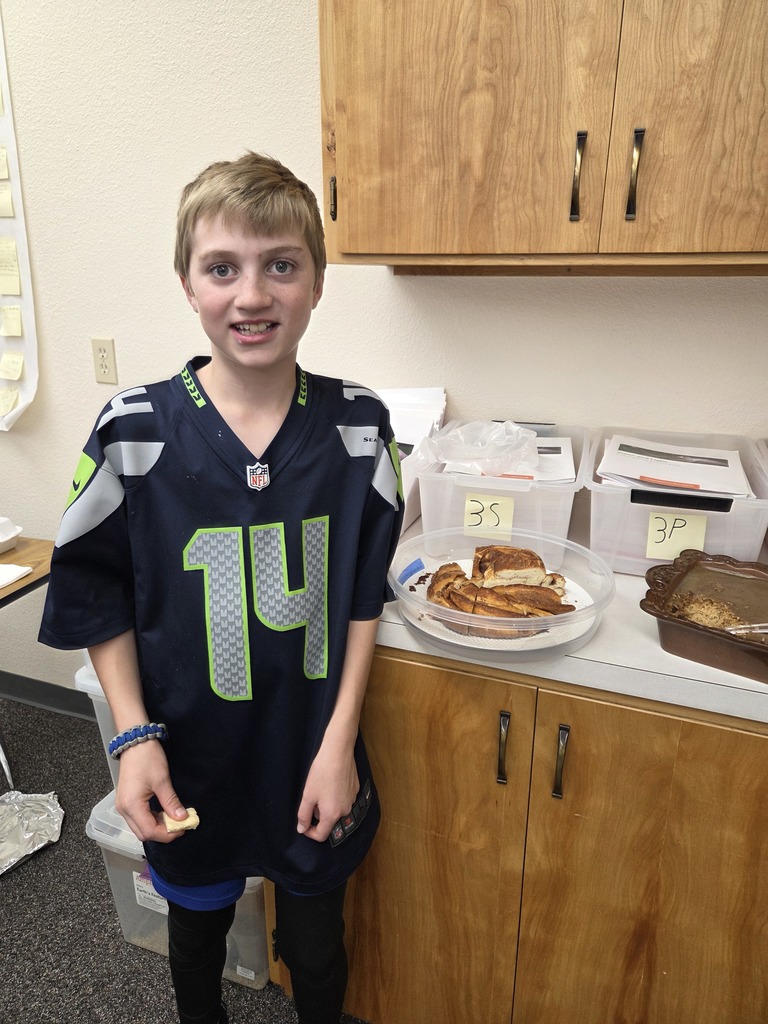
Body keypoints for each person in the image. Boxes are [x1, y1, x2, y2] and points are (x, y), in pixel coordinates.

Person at [39, 152, 404, 1024]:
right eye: (222, 268)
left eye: (281, 264)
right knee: (197, 936)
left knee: (315, 946)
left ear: (317, 282)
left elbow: (364, 598)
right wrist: (134, 739)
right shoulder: (132, 431)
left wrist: (339, 743)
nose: (252, 295)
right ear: (187, 284)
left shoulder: (360, 427)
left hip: (310, 747)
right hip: (186, 750)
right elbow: (99, 596)